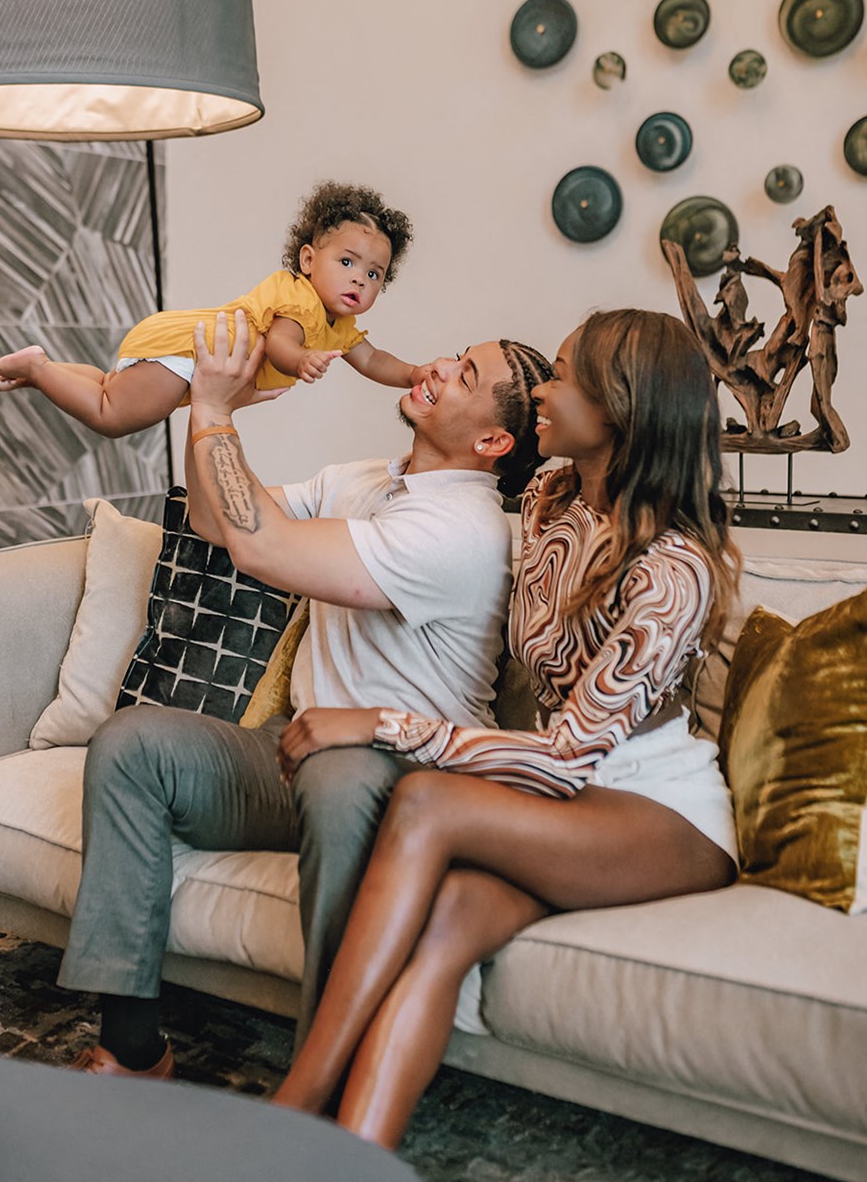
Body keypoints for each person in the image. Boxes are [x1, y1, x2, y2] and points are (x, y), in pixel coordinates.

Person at [271, 308, 744, 1148]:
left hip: (655, 811)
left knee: (425, 804)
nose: (541, 394)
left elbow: (567, 756)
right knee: (449, 922)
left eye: (561, 375)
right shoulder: (550, 500)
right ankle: (348, 1158)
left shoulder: (677, 570)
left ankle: (290, 1119)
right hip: (567, 800)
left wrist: (380, 721)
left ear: (620, 409)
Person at [57, 309, 553, 1077]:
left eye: (466, 376)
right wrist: (201, 401)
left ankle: (332, 1074)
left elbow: (263, 546)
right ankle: (132, 1050)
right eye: (453, 355)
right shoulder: (363, 480)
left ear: (494, 443)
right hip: (294, 747)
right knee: (132, 745)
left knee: (341, 772)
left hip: (408, 769)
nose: (437, 368)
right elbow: (213, 522)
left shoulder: (462, 529)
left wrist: (218, 411)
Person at [0, 180, 433, 436]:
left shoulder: (341, 325)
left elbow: (372, 360)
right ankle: (40, 369)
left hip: (185, 350)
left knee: (106, 386)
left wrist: (413, 373)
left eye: (374, 274)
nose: (360, 277)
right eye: (347, 261)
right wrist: (302, 360)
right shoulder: (299, 298)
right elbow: (280, 344)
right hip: (189, 350)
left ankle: (40, 372)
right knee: (112, 416)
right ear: (309, 259)